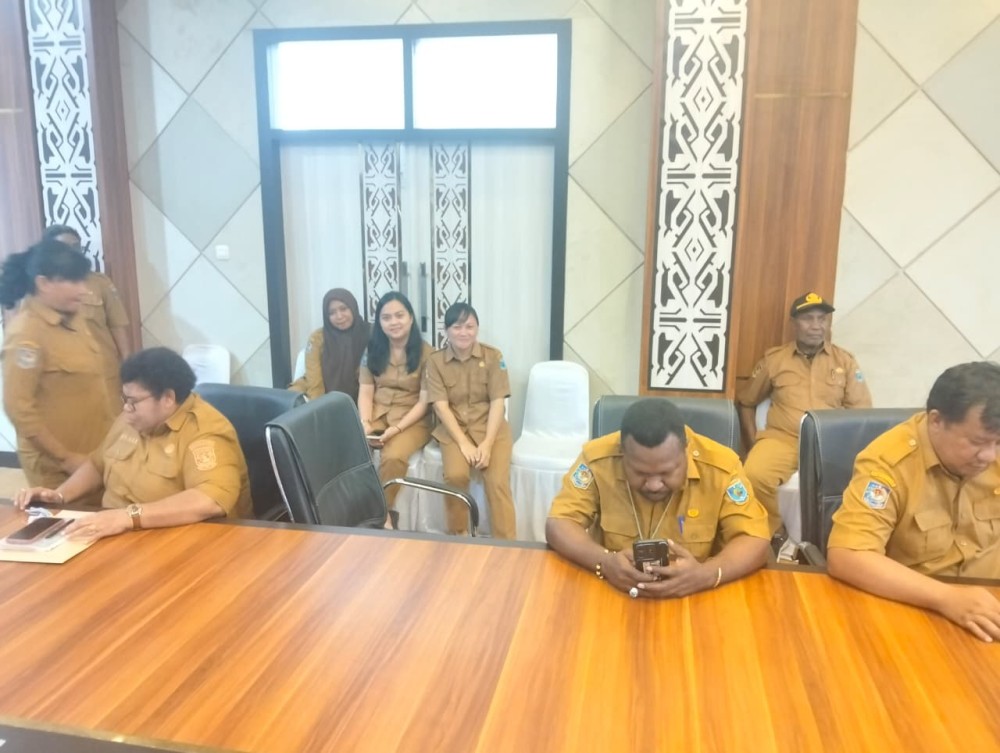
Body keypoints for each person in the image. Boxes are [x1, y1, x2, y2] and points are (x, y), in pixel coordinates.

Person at [827, 362, 1000, 642]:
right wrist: (946, 597)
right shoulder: (888, 463)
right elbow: (848, 556)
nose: (989, 456)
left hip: (990, 609)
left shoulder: (992, 452)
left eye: (998, 443)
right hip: (917, 609)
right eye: (977, 442)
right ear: (936, 421)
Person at [13, 347, 252, 539]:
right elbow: (98, 465)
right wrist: (59, 496)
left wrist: (128, 517)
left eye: (133, 401)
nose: (126, 408)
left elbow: (209, 501)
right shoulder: (132, 420)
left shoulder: (205, 432)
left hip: (176, 540)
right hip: (117, 532)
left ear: (168, 398)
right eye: (124, 399)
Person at [546, 398, 771, 598]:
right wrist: (604, 562)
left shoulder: (722, 466)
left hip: (696, 595)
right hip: (614, 591)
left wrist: (706, 574)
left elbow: (755, 540)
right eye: (641, 473)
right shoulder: (597, 458)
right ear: (622, 453)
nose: (654, 485)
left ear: (685, 450)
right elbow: (560, 522)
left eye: (666, 473)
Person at [737, 292, 871, 532]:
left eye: (822, 319)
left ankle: (828, 539)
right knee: (753, 475)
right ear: (794, 323)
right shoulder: (775, 360)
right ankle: (772, 534)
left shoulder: (845, 361)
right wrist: (752, 443)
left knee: (861, 482)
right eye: (808, 319)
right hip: (783, 439)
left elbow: (861, 414)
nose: (816, 326)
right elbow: (746, 401)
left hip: (828, 442)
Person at [1, 239, 115, 500]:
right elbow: (18, 407)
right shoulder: (26, 334)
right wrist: (65, 457)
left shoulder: (74, 319)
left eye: (83, 280)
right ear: (43, 283)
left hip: (95, 454)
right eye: (73, 281)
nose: (83, 290)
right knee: (68, 522)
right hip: (60, 466)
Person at [424, 302, 516, 539]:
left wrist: (487, 444)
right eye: (457, 327)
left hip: (491, 428)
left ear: (477, 328)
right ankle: (459, 535)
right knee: (456, 476)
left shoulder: (493, 356)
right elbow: (440, 406)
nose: (463, 332)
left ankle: (508, 543)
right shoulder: (435, 362)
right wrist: (464, 443)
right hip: (454, 429)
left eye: (469, 326)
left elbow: (498, 402)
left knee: (497, 481)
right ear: (446, 330)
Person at [357, 292, 433, 527]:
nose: (394, 322)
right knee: (352, 448)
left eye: (399, 315)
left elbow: (424, 402)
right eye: (386, 317)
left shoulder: (428, 353)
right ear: (380, 322)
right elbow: (366, 390)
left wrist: (397, 429)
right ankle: (353, 510)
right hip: (378, 413)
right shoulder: (372, 350)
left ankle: (383, 515)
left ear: (411, 317)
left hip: (413, 419)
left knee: (393, 456)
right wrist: (365, 423)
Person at [43, 225, 131, 416]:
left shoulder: (99, 283)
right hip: (62, 381)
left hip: (104, 377)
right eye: (65, 247)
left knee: (113, 428)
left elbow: (117, 325)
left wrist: (128, 367)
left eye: (76, 246)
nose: (73, 252)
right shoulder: (41, 288)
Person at [290, 288, 370, 402]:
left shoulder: (370, 333)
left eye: (343, 309)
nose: (339, 316)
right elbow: (314, 381)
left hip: (362, 395)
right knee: (286, 402)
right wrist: (320, 408)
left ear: (353, 307)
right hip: (318, 393)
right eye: (332, 313)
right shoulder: (318, 338)